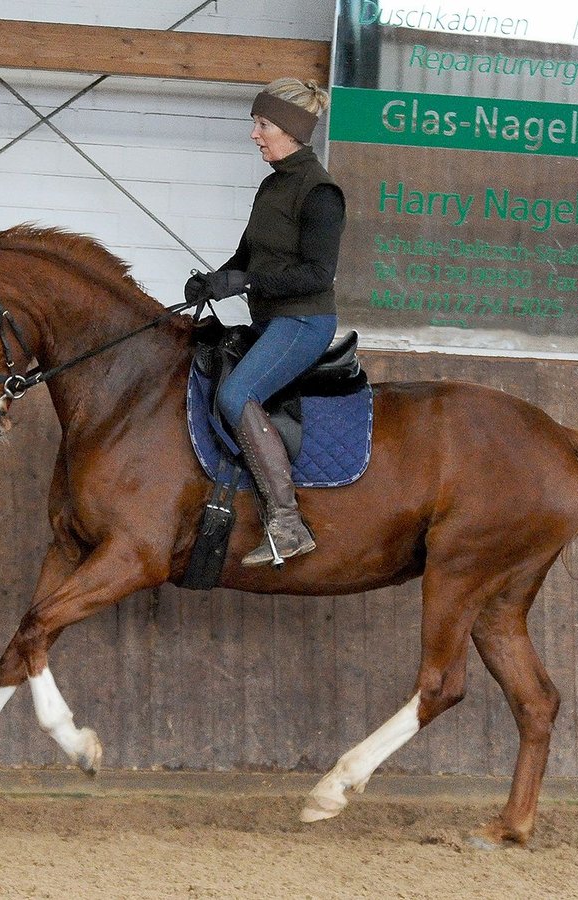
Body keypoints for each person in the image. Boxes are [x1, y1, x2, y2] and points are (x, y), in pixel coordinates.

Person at [185, 77, 345, 567]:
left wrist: (246, 282)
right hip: (271, 320)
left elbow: (317, 273)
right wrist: (214, 280)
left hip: (303, 322)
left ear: (292, 130)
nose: (255, 134)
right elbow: (248, 255)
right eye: (257, 123)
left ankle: (287, 523)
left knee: (236, 395)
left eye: (263, 125)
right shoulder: (272, 185)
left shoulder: (321, 193)